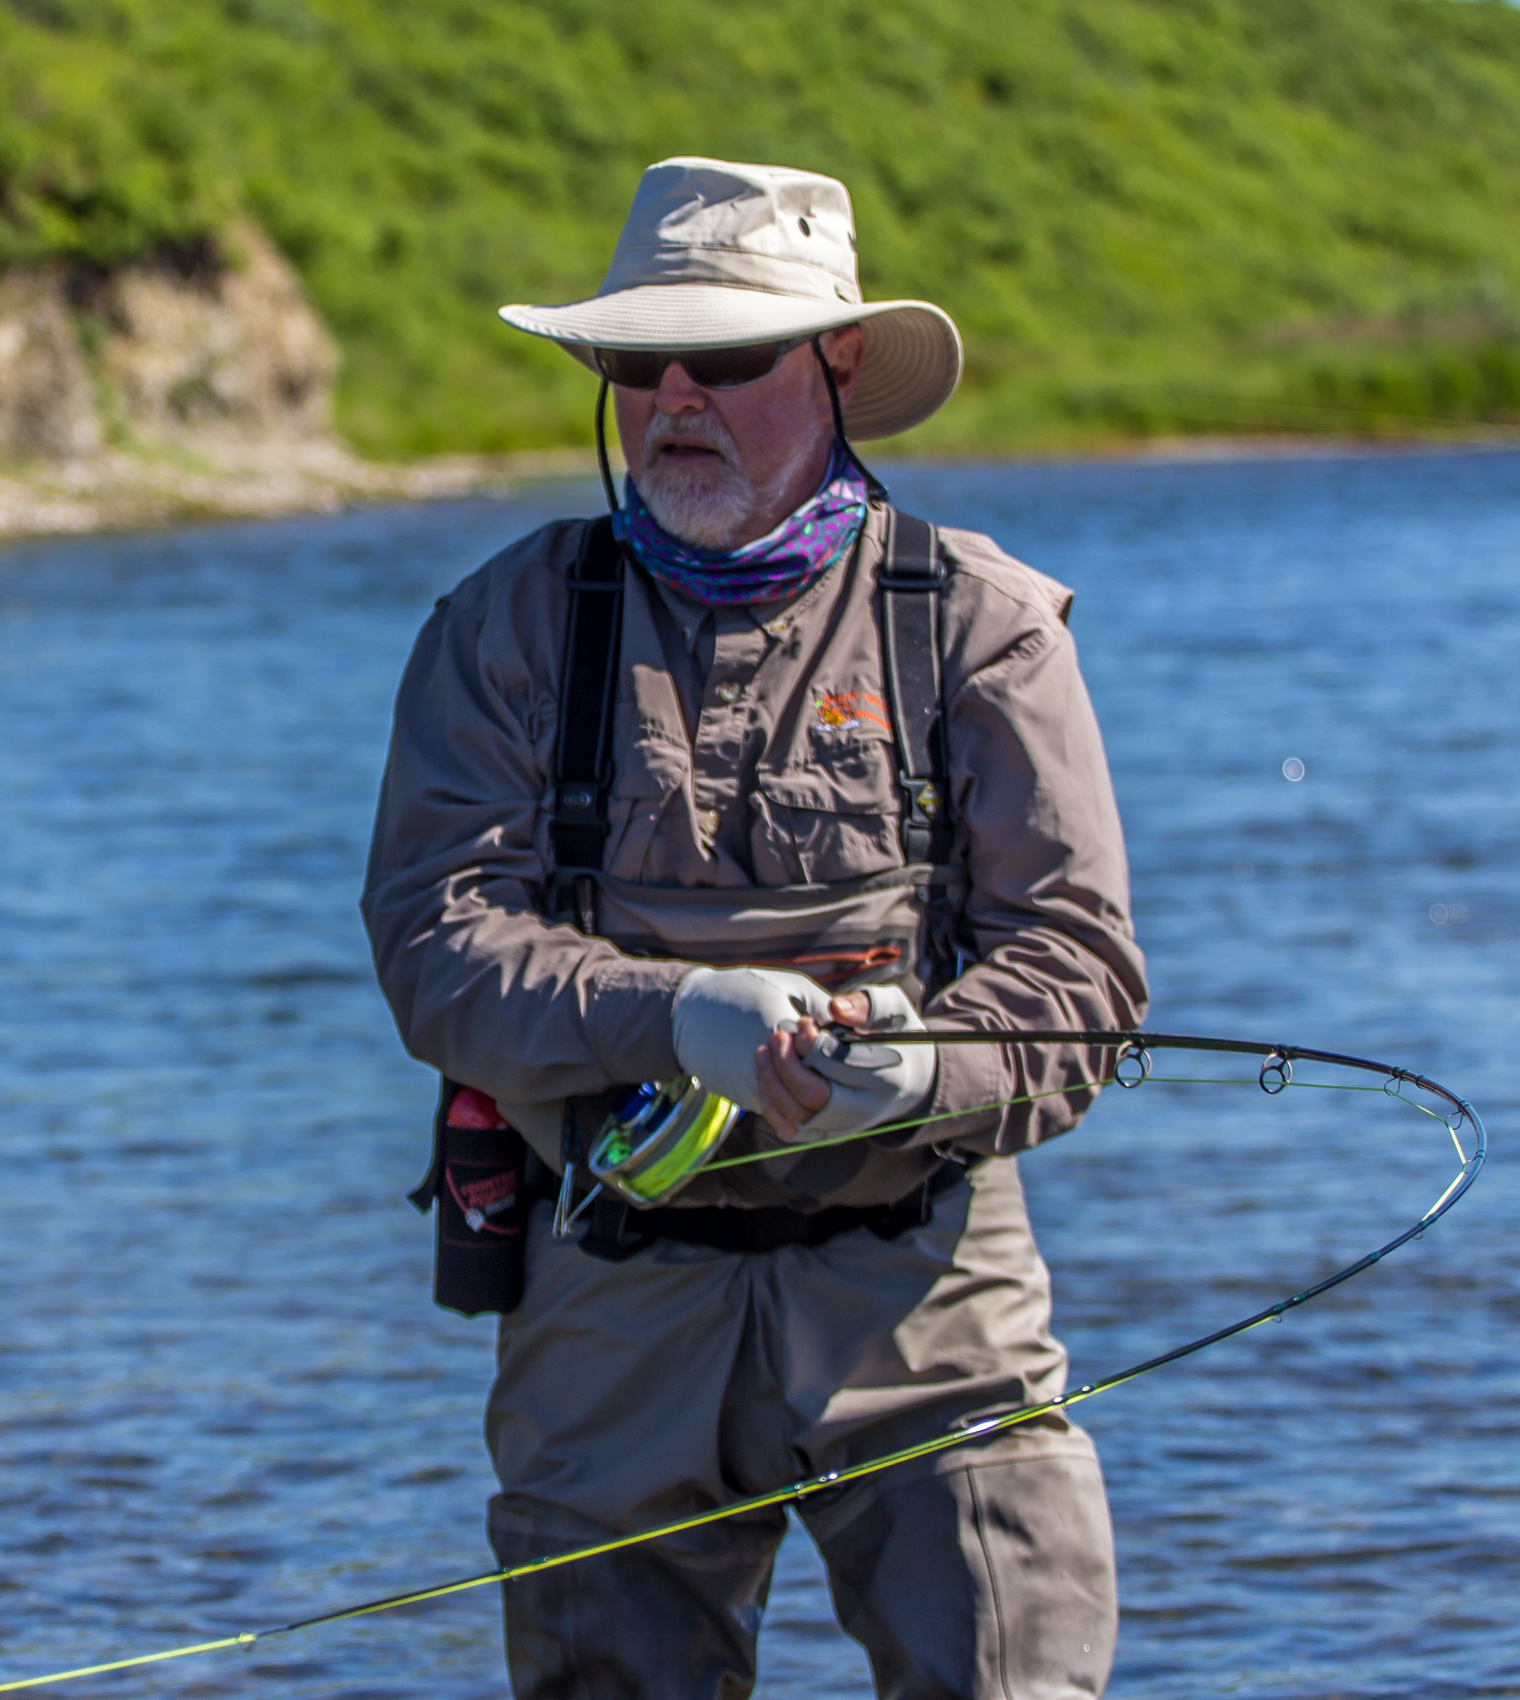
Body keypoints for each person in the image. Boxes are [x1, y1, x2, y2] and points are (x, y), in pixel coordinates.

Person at [360, 158, 1147, 1699]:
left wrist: (929, 1066)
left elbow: (1081, 967)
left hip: (924, 1281)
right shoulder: (500, 628)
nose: (672, 398)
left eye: (720, 357)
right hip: (610, 1285)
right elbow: (435, 944)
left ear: (834, 364)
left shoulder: (978, 623)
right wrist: (673, 1018)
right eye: (634, 363)